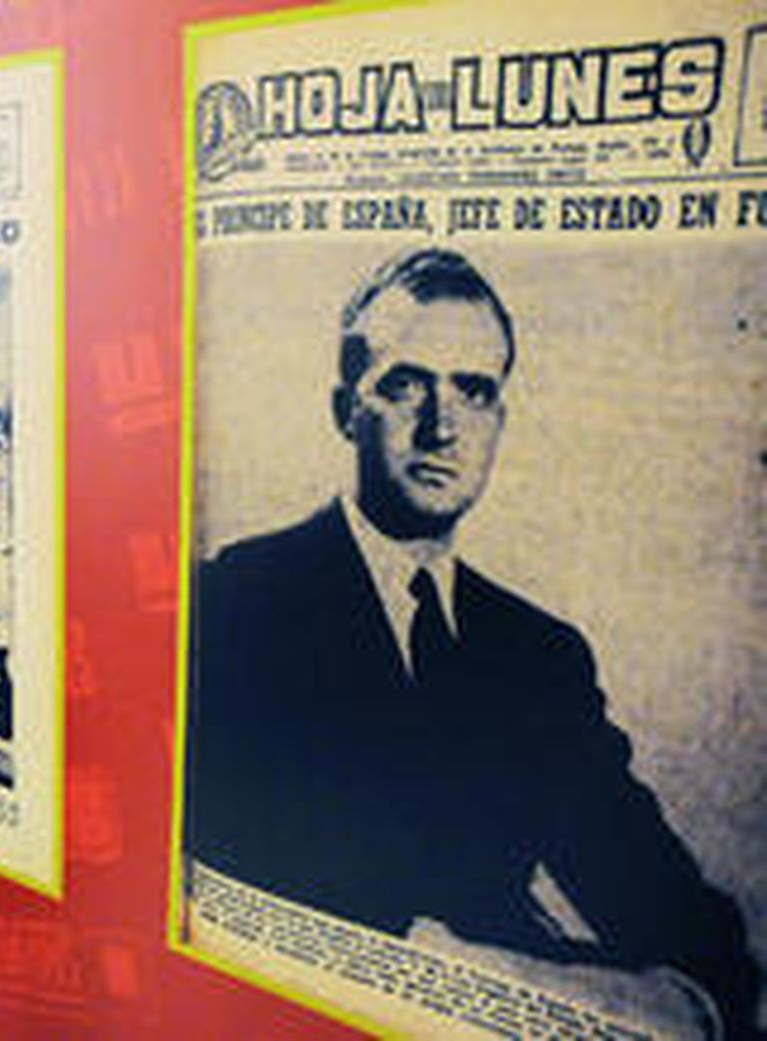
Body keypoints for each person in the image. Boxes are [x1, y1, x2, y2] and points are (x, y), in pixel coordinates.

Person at [185, 247, 762, 1038]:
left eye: (474, 390)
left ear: (500, 419)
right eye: (405, 383)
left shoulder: (540, 657)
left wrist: (693, 997)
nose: (442, 423)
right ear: (343, 409)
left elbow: (666, 902)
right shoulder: (234, 604)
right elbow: (252, 887)